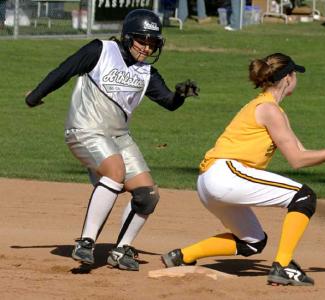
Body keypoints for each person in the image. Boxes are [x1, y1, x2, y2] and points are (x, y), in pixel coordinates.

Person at [161, 53, 325, 285]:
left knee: (252, 241)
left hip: (209, 181)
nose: (296, 79)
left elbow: (302, 153)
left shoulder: (267, 107)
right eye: (295, 74)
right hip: (227, 174)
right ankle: (283, 265)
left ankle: (182, 256)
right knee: (304, 196)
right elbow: (297, 161)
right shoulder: (269, 110)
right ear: (288, 78)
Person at [25, 9, 199, 271]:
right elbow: (65, 70)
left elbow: (168, 103)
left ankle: (120, 250)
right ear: (128, 37)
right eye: (142, 40)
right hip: (84, 129)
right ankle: (86, 242)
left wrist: (180, 95)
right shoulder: (101, 50)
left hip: (118, 136)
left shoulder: (146, 72)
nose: (147, 47)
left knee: (148, 195)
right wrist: (35, 96)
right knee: (116, 171)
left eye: (153, 43)